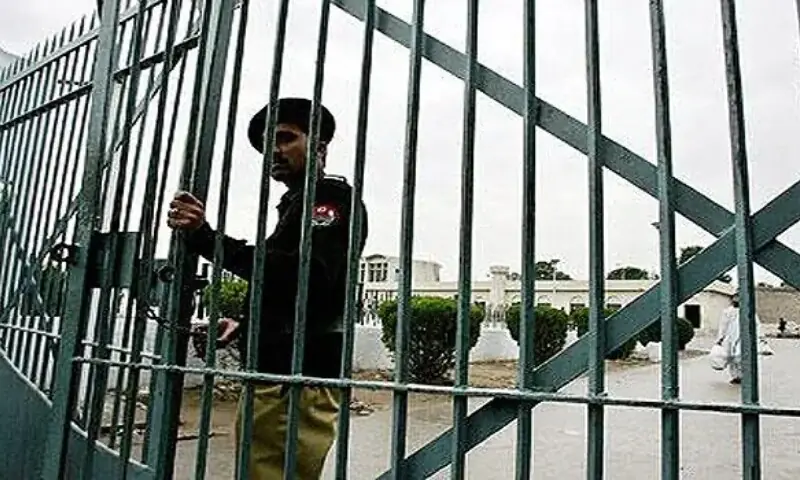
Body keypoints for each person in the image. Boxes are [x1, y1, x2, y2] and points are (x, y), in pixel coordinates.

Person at [167, 97, 368, 479]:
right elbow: (294, 293)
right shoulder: (295, 204)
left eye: (285, 138)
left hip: (295, 381)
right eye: (266, 144)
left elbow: (307, 276)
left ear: (320, 147)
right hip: (277, 376)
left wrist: (207, 239)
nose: (274, 150)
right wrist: (245, 322)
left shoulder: (329, 197)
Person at [715, 294, 767, 385]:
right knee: (732, 358)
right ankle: (736, 377)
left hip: (745, 337)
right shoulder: (728, 312)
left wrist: (760, 337)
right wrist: (720, 338)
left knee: (743, 357)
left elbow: (756, 324)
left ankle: (746, 376)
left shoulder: (748, 311)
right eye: (735, 298)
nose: (737, 300)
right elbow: (723, 326)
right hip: (730, 338)